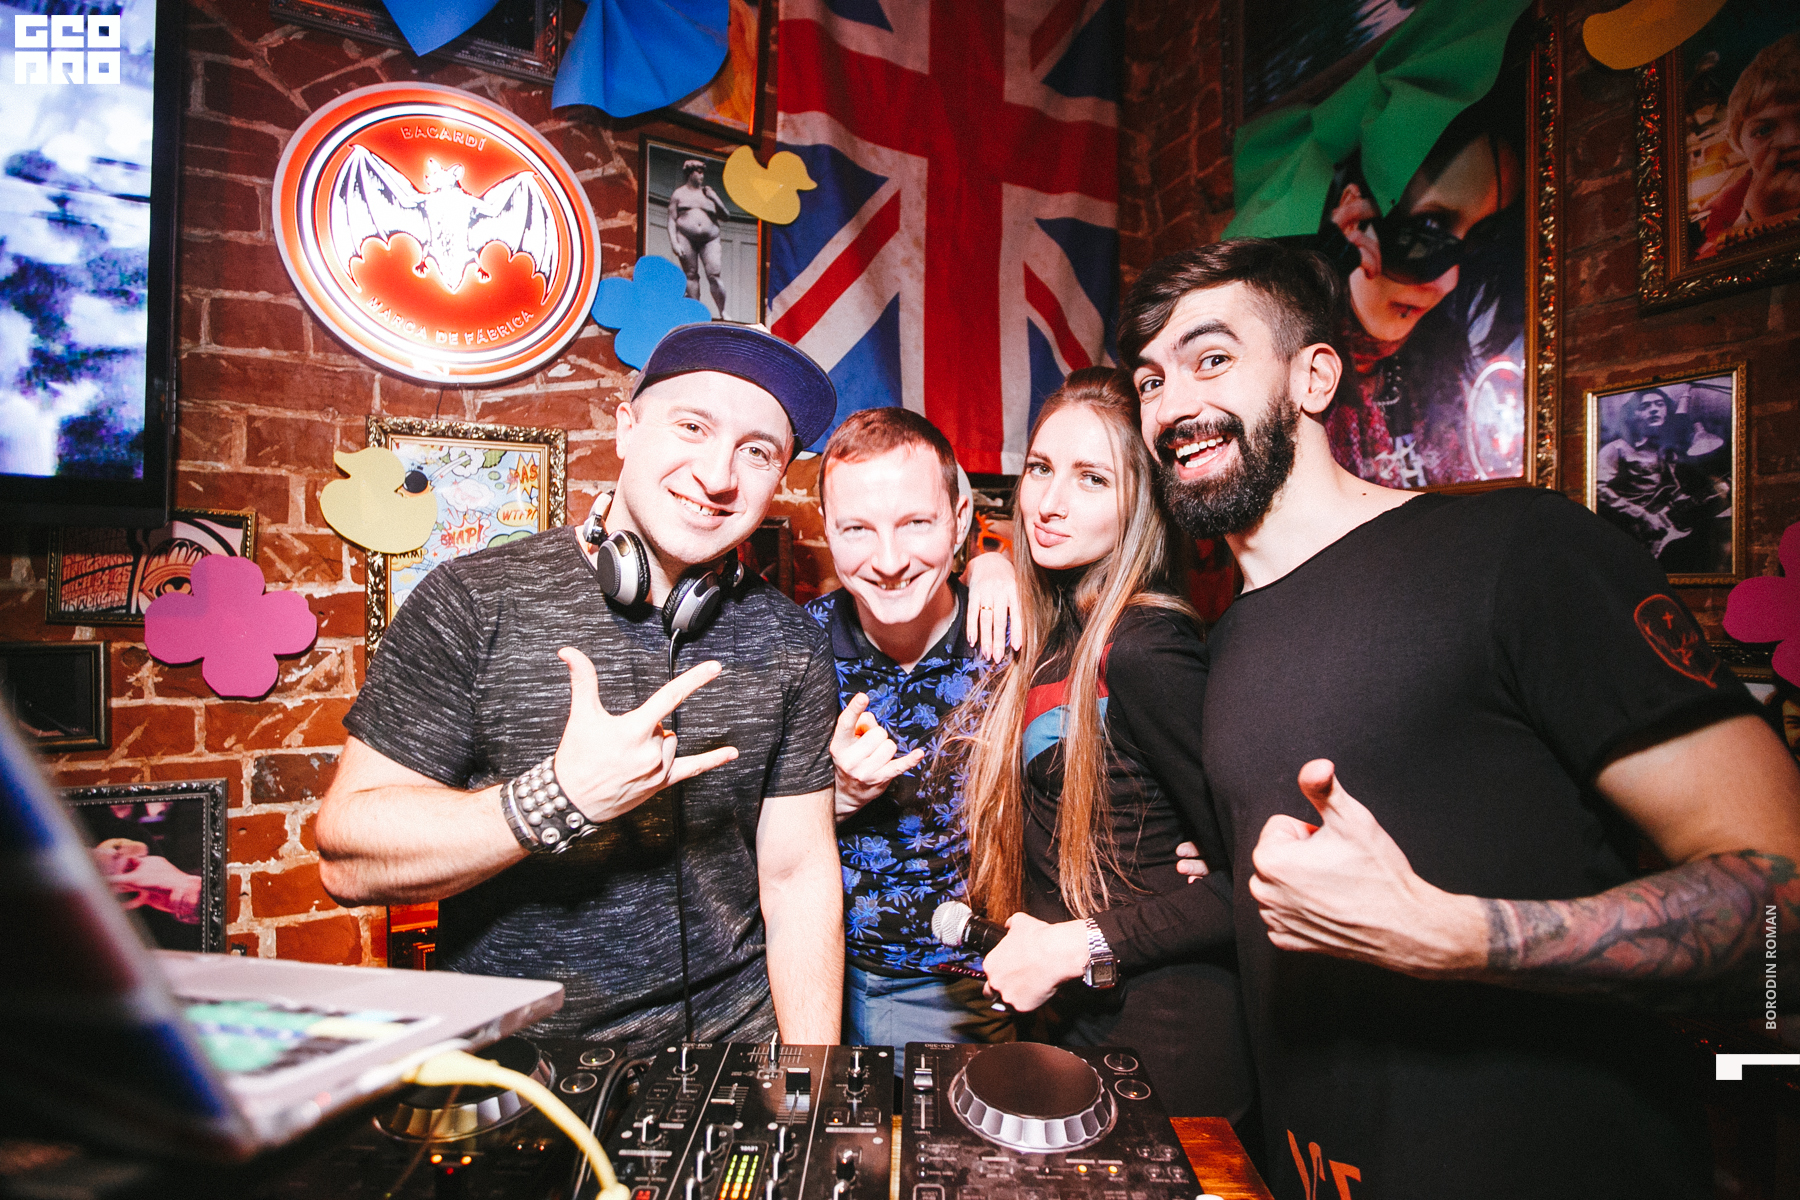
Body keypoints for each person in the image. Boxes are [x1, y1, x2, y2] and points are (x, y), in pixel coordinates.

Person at [1123, 238, 1800, 1198]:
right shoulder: (1227, 641)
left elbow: (1785, 917)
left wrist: (1456, 935)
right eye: (1150, 381)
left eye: (1212, 358)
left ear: (1315, 377)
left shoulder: (1518, 554)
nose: (1170, 405)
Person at [315, 323, 845, 1054]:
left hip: (731, 1058)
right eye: (692, 426)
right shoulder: (474, 599)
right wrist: (559, 797)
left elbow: (797, 878)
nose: (718, 474)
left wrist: (812, 1080)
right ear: (626, 429)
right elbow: (347, 857)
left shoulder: (791, 640)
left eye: (757, 451)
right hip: (520, 1068)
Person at [939, 368, 1255, 1122]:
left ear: (1142, 502)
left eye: (1092, 479)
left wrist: (1072, 947)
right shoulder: (1056, 631)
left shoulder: (1146, 647)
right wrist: (985, 560)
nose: (1049, 503)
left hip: (1167, 1041)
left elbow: (1251, 883)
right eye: (1041, 469)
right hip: (1071, 1023)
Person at [803, 407, 1019, 1061]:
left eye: (916, 524)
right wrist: (836, 798)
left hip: (968, 983)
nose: (890, 561)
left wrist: (997, 565)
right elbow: (734, 843)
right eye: (857, 529)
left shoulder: (1011, 637)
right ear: (827, 529)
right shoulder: (794, 646)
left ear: (959, 521)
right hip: (817, 974)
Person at [1318, 87, 1525, 488]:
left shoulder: (1447, 373)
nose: (1448, 281)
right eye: (1428, 229)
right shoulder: (1286, 376)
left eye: (1477, 241)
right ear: (1353, 216)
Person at [1594, 387, 1730, 573]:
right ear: (1633, 414)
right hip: (1627, 532)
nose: (1654, 409)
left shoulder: (1665, 452)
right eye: (1645, 406)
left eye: (1659, 404)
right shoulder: (1616, 449)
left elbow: (1674, 492)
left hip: (1661, 533)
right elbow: (1598, 489)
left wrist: (1708, 497)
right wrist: (1643, 516)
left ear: (1666, 411)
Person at [1697, 32, 1800, 259]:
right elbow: (1710, 263)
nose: (1791, 139)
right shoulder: (1728, 205)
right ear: (1738, 144)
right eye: (1763, 130)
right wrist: (1758, 217)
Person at [669, 159, 731, 314]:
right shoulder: (679, 194)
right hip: (686, 237)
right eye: (699, 172)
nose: (702, 176)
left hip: (710, 239)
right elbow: (671, 220)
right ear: (690, 173)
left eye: (703, 172)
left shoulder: (708, 194)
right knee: (691, 275)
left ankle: (722, 311)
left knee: (714, 274)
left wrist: (714, 197)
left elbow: (726, 216)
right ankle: (695, 313)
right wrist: (674, 242)